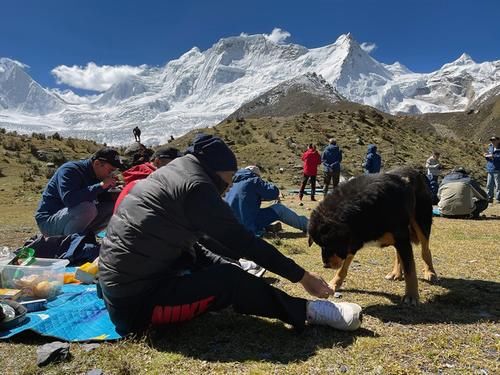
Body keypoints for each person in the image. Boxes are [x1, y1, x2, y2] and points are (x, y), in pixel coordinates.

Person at [99, 134, 362, 336]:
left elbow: (194, 245)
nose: (229, 187)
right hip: (137, 309)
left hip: (122, 286)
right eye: (230, 178)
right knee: (230, 280)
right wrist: (303, 276)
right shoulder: (196, 186)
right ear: (217, 170)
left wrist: (227, 264)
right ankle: (307, 311)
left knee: (214, 262)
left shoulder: (173, 173)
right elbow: (242, 241)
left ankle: (252, 287)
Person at [35, 148, 123, 237]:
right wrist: (101, 186)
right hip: (48, 221)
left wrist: (117, 194)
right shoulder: (71, 170)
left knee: (114, 206)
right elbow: (69, 200)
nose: (111, 175)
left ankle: (85, 238)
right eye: (110, 171)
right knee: (88, 209)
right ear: (97, 163)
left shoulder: (97, 175)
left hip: (69, 218)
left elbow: (99, 198)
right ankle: (69, 244)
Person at [225, 165, 308, 235]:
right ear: (255, 175)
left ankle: (265, 227)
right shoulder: (254, 180)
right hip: (247, 227)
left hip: (230, 228)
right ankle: (310, 226)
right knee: (279, 209)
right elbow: (274, 192)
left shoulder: (232, 183)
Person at [484, 136, 500, 203]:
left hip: (498, 168)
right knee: (489, 184)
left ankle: (498, 198)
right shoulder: (490, 147)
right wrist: (486, 155)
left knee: (498, 185)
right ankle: (489, 198)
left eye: (494, 140)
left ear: (498, 140)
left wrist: (494, 156)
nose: (492, 141)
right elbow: (488, 157)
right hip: (490, 168)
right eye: (491, 140)